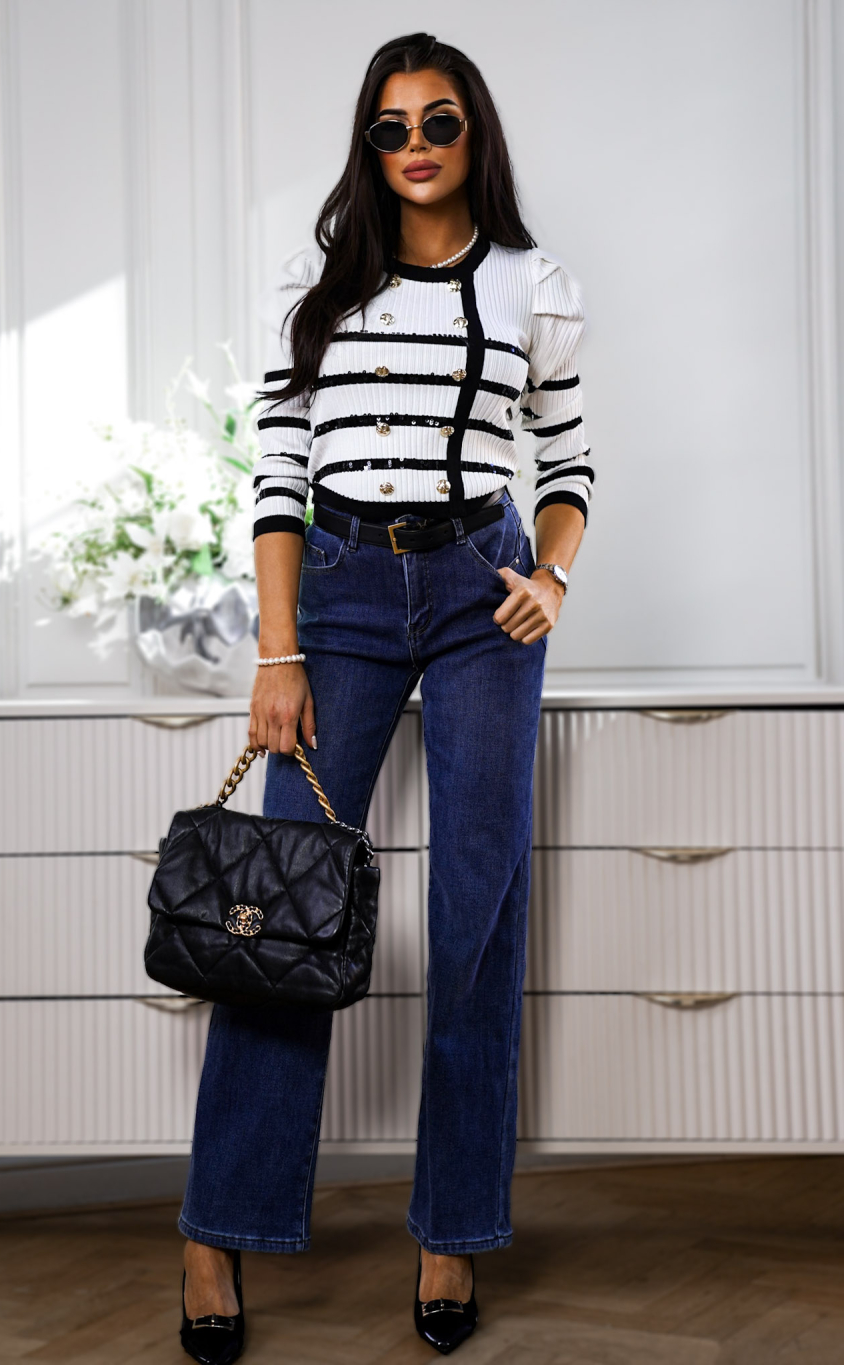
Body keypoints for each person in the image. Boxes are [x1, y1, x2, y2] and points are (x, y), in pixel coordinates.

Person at [178, 30, 592, 1363]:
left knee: (476, 912)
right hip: (343, 590)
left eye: (440, 121)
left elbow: (569, 460)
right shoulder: (319, 285)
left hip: (485, 589)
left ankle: (451, 1229)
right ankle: (217, 1226)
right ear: (369, 143)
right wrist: (277, 652)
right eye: (392, 127)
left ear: (477, 134)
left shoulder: (533, 282)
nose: (416, 145)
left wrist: (554, 576)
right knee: (283, 906)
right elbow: (278, 467)